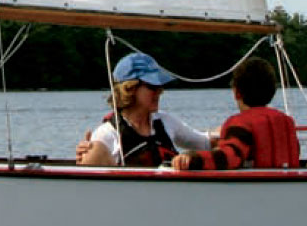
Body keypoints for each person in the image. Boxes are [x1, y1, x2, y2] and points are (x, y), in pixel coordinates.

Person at [74, 52, 211, 167]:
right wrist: (90, 155)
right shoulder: (106, 134)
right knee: (92, 151)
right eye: (153, 86)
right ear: (130, 89)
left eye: (160, 86)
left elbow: (205, 142)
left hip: (170, 194)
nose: (159, 92)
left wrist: (230, 128)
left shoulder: (165, 121)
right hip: (128, 197)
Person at [171, 56, 299, 171]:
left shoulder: (240, 124)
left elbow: (229, 158)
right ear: (272, 91)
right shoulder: (286, 122)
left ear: (237, 92)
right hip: (287, 188)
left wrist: (192, 158)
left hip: (256, 191)